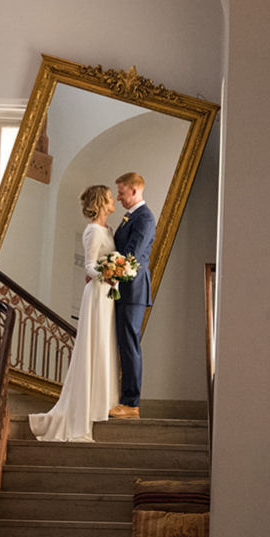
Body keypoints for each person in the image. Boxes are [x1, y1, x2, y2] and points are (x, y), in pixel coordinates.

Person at [29, 184, 120, 442]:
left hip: (108, 295)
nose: (114, 200)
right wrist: (109, 274)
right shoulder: (92, 231)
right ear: (101, 202)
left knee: (104, 345)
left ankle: (103, 402)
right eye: (110, 197)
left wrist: (117, 274)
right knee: (94, 345)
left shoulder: (109, 229)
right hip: (97, 293)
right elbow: (90, 266)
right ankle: (85, 409)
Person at [109, 171, 155, 418]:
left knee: (129, 345)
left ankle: (131, 403)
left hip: (133, 289)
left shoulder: (144, 218)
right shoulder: (131, 216)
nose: (118, 198)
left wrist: (108, 272)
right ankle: (125, 400)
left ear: (135, 191)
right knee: (124, 344)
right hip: (124, 289)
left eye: (121, 192)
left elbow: (132, 256)